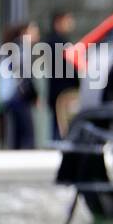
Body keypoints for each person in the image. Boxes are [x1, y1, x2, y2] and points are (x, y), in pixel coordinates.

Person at [0, 21, 40, 150]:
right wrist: (34, 95)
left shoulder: (12, 48)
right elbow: (24, 76)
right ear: (24, 33)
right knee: (27, 136)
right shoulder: (21, 49)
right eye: (33, 30)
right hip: (19, 96)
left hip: (11, 97)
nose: (37, 34)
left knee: (16, 135)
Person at [43, 9, 76, 141]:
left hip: (58, 91)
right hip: (62, 92)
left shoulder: (55, 42)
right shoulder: (58, 43)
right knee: (61, 127)